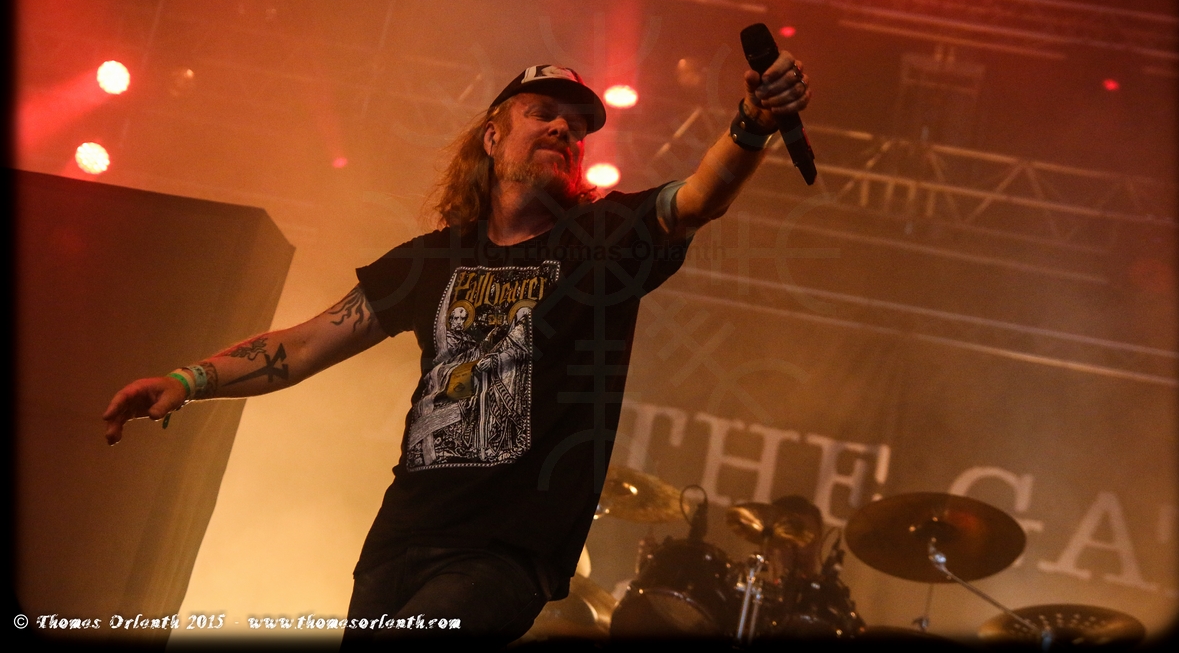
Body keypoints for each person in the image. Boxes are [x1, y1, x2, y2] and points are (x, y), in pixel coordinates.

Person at [102, 49, 810, 645]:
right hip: (401, 539)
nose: (563, 128)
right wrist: (189, 380)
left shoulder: (605, 238)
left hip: (504, 553)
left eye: (576, 127)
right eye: (543, 113)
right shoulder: (432, 260)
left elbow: (700, 197)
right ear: (492, 138)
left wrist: (752, 123)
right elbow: (307, 343)